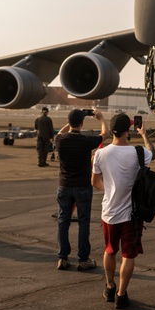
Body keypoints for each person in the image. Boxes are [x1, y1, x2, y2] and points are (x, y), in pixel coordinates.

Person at [92, 112, 155, 310]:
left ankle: (109, 286)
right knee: (128, 256)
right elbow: (152, 153)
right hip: (132, 214)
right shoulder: (138, 153)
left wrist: (109, 189)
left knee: (109, 250)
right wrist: (144, 135)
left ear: (111, 131)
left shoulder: (100, 153)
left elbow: (95, 182)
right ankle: (121, 295)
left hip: (109, 212)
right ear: (128, 131)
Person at [55, 109, 106, 272]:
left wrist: (71, 121)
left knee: (63, 221)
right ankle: (83, 259)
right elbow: (106, 134)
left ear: (69, 123)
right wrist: (101, 118)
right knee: (83, 223)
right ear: (82, 124)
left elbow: (62, 132)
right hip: (82, 186)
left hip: (64, 186)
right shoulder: (85, 141)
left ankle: (62, 258)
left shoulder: (60, 139)